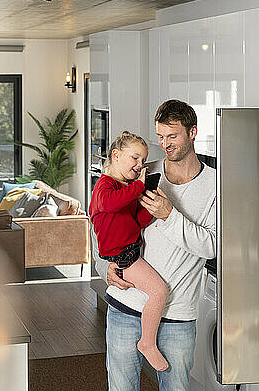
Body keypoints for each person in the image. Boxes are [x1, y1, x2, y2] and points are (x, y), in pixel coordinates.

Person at [94, 100, 216, 391]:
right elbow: (101, 223)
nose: (165, 144)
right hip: (126, 305)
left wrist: (169, 215)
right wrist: (104, 268)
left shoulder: (215, 185)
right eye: (160, 137)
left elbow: (211, 246)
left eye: (172, 136)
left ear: (193, 132)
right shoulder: (143, 173)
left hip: (177, 315)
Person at [89, 131, 169, 371]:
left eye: (143, 161)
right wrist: (138, 186)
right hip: (123, 257)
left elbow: (137, 222)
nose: (139, 165)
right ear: (115, 155)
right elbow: (110, 204)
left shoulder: (127, 189)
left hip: (131, 251)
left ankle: (147, 341)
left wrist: (152, 205)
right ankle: (147, 343)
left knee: (157, 291)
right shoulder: (105, 186)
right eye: (135, 158)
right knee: (159, 291)